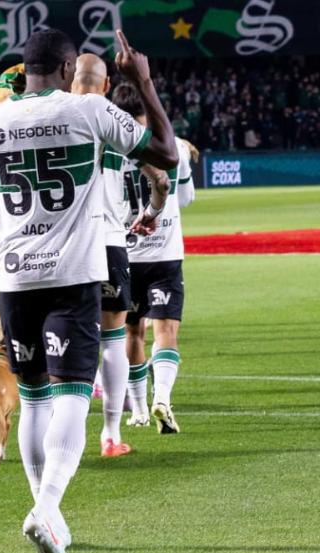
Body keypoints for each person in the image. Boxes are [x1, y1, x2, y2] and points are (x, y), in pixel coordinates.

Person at [0, 29, 177, 553]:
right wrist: (144, 82)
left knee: (34, 398)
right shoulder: (87, 111)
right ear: (67, 69)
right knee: (72, 397)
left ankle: (50, 520)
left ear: (23, 68)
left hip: (14, 277)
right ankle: (47, 508)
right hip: (73, 274)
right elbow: (167, 154)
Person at [71, 54, 170, 457]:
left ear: (69, 78)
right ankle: (110, 435)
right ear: (106, 84)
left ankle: (62, 435)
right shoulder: (110, 119)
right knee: (113, 340)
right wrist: (152, 213)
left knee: (68, 342)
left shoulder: (51, 114)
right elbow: (161, 176)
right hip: (110, 241)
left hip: (61, 248)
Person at [111, 83, 197, 434]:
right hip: (165, 253)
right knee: (166, 331)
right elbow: (187, 198)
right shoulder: (174, 147)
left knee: (131, 332)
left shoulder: (109, 149)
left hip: (123, 254)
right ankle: (162, 396)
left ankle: (140, 410)